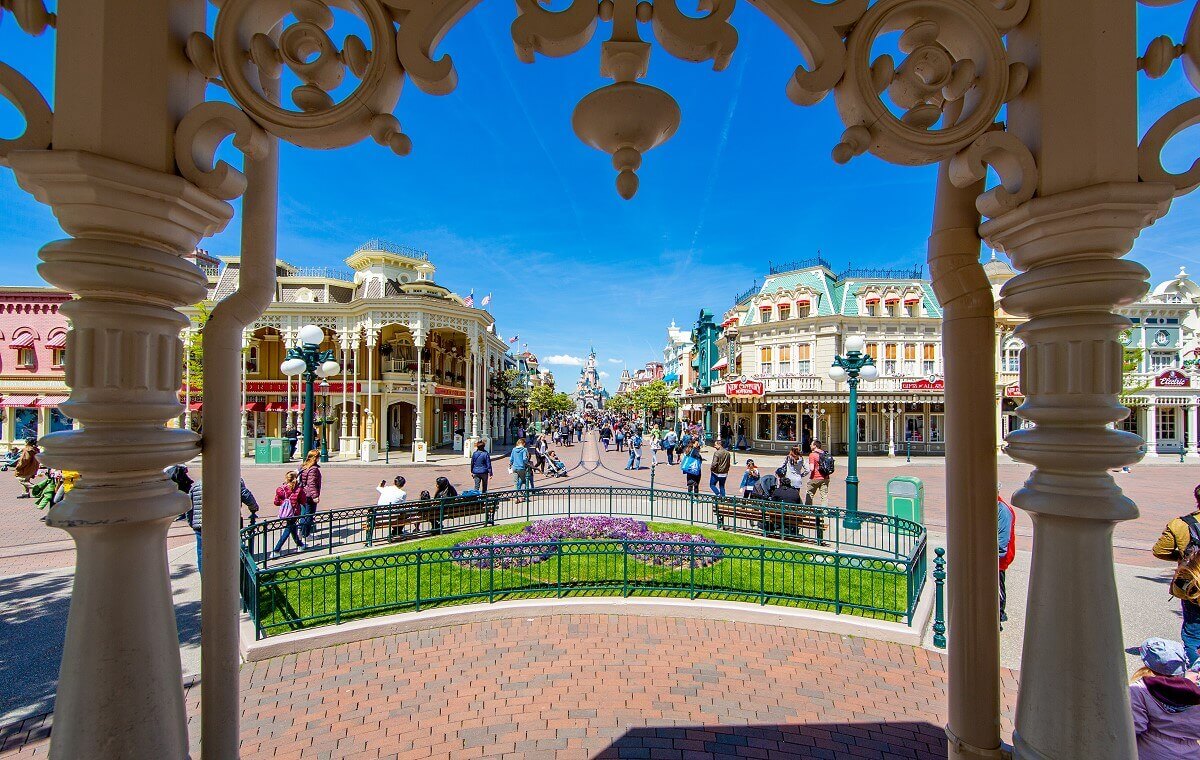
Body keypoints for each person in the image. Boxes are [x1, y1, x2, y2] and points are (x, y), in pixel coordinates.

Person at [1129, 637, 1200, 759]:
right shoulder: (1195, 690)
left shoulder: (1140, 689)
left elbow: (1132, 728)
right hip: (1191, 754)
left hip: (1150, 753)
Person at [1153, 483, 1200, 663]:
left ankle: (1194, 675)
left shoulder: (1181, 525)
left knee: (1193, 634)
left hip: (1192, 584)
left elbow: (1160, 550)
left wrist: (1186, 557)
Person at [271, 471, 308, 556]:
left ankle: (300, 544)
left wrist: (284, 503)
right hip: (294, 512)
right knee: (288, 529)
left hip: (284, 513)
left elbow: (276, 502)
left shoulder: (281, 489)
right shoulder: (298, 490)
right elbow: (303, 501)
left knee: (292, 528)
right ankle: (276, 550)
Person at [998, 493, 1017, 626]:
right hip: (995, 559)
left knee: (997, 587)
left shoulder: (1002, 510)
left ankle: (998, 615)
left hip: (997, 561)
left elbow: (1002, 541)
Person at [297, 449, 322, 539]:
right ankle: (306, 534)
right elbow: (311, 483)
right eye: (319, 456)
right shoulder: (313, 469)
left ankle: (301, 532)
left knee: (304, 514)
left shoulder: (303, 466)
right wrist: (315, 496)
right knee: (309, 515)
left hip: (302, 493)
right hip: (309, 495)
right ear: (315, 458)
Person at [805, 440, 831, 508]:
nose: (810, 445)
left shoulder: (812, 454)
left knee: (809, 494)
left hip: (815, 477)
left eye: (811, 444)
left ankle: (808, 511)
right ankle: (824, 512)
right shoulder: (825, 453)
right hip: (825, 477)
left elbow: (811, 468)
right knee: (824, 496)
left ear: (815, 446)